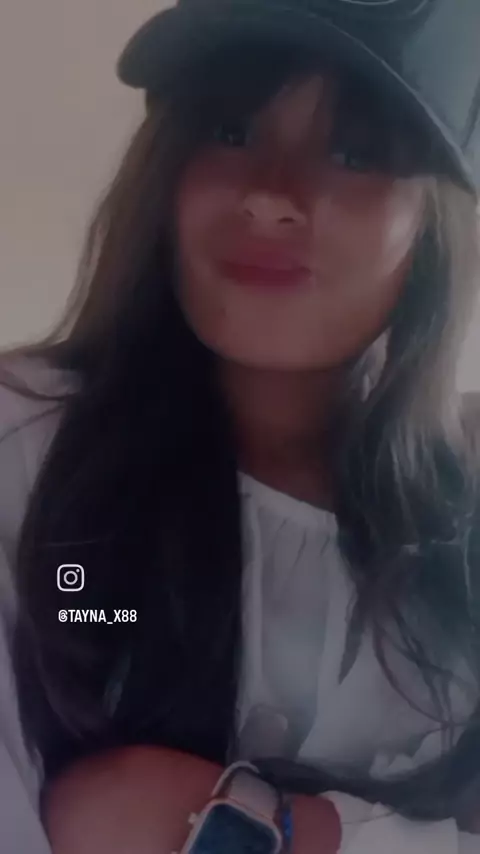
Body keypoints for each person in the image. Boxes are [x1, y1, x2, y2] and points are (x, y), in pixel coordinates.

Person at [1, 0, 480, 851]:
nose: (270, 197)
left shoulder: (464, 511)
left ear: (435, 225)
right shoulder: (19, 445)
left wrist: (277, 833)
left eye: (354, 150)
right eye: (230, 130)